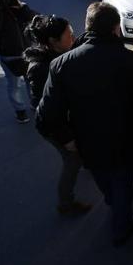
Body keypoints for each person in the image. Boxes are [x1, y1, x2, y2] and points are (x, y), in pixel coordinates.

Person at [36, 2, 133, 246]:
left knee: (106, 181)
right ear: (115, 28)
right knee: (122, 183)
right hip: (124, 142)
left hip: (86, 141)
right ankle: (121, 227)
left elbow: (47, 112)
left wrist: (66, 138)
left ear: (87, 26)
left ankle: (115, 205)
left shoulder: (62, 64)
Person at [23, 15, 91, 215]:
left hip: (66, 119)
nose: (73, 38)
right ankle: (66, 203)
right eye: (69, 35)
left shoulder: (58, 55)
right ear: (53, 41)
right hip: (54, 127)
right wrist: (66, 138)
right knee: (72, 160)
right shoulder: (41, 69)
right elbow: (46, 110)